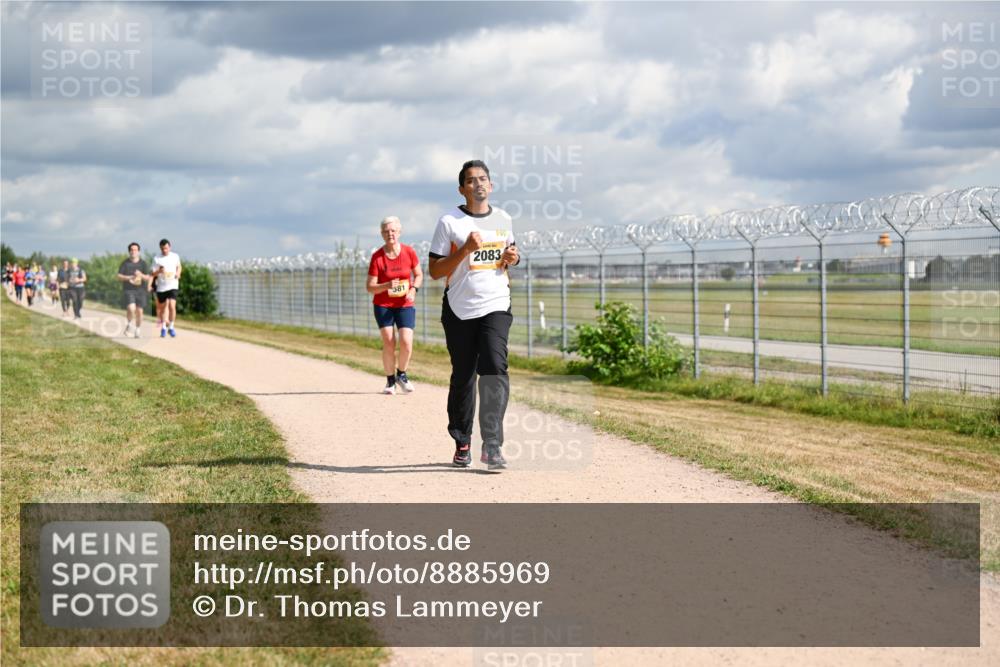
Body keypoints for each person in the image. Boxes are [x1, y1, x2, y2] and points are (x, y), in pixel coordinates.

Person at [428, 160, 519, 470]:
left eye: (483, 179)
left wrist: (512, 258)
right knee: (464, 376)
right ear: (462, 189)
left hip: (496, 302)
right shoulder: (449, 222)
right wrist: (465, 249)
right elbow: (435, 271)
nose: (478, 184)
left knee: (495, 367)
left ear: (490, 186)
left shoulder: (504, 219)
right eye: (471, 180)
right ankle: (462, 441)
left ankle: (492, 444)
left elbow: (509, 255)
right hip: (459, 308)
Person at [366, 216, 423, 395]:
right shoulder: (377, 257)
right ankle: (390, 381)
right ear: (382, 234)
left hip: (405, 303)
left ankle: (402, 375)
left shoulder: (409, 252)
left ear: (399, 232)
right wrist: (386, 286)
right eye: (386, 231)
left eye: (393, 230)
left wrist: (413, 289)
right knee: (389, 341)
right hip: (383, 304)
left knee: (406, 342)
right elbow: (370, 287)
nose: (390, 234)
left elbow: (419, 275)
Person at [116, 242, 150, 338]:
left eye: (135, 250)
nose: (133, 251)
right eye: (132, 250)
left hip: (141, 290)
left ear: (138, 251)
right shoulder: (125, 263)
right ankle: (129, 325)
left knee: (139, 311)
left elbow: (148, 277)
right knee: (131, 308)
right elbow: (119, 276)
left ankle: (138, 329)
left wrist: (141, 275)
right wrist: (130, 277)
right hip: (129, 290)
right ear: (129, 251)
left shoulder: (143, 263)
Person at [151, 239, 181, 337]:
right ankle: (164, 327)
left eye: (166, 248)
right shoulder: (157, 259)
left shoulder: (175, 256)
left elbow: (179, 266)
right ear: (160, 248)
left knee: (172, 306)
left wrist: (178, 273)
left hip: (173, 284)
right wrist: (159, 271)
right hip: (162, 286)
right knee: (164, 308)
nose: (165, 250)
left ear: (170, 247)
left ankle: (171, 327)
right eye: (163, 248)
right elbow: (152, 273)